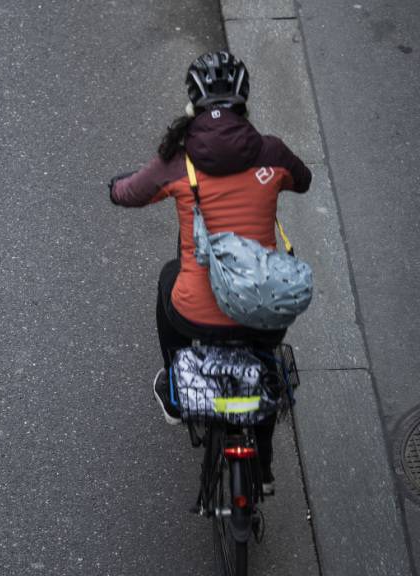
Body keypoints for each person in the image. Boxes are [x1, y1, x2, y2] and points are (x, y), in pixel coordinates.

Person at [108, 51, 312, 492]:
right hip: (264, 309)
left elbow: (127, 194)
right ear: (245, 101)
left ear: (192, 105)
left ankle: (176, 391)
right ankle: (264, 468)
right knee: (265, 365)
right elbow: (304, 179)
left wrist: (115, 185)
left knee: (169, 279)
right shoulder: (272, 153)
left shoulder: (177, 162)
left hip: (197, 311)